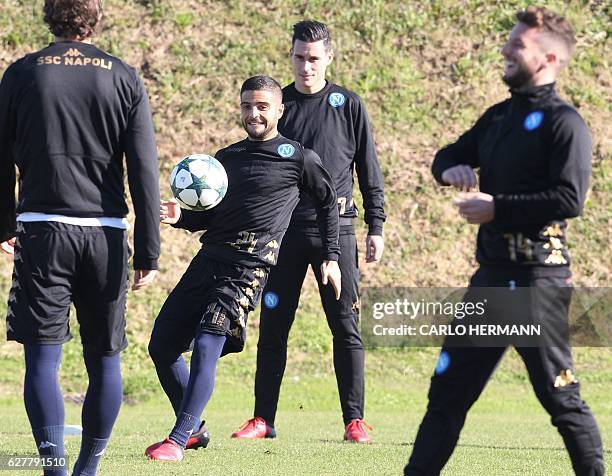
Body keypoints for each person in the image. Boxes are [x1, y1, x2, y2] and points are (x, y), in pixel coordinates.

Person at [405, 7, 604, 476]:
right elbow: (450, 153)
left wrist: (499, 207)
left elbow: (569, 198)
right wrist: (448, 168)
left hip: (538, 282)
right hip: (491, 280)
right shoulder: (498, 118)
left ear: (549, 58)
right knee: (447, 395)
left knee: (560, 397)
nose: (506, 50)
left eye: (518, 45)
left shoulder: (565, 124)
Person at [145, 75, 341, 462]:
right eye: (247, 106)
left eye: (262, 106)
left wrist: (331, 258)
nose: (254, 113)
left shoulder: (299, 157)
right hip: (209, 259)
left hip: (249, 268)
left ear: (279, 110)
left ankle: (178, 438)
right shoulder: (226, 158)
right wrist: (180, 217)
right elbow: (213, 216)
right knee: (162, 345)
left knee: (206, 343)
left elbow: (327, 203)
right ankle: (196, 430)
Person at [0, 1, 160, 475]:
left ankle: (54, 471)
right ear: (96, 20)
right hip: (106, 237)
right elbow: (144, 168)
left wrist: (5, 222)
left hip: (44, 233)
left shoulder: (22, 73)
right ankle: (87, 470)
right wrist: (148, 248)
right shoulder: (123, 75)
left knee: (43, 362)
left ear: (49, 17)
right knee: (105, 361)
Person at [232, 20, 385, 444]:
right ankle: (263, 419)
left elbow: (369, 169)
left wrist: (377, 225)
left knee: (345, 325)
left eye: (314, 58)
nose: (306, 66)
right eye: (299, 57)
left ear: (328, 59)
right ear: (292, 55)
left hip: (336, 233)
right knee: (274, 324)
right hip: (284, 235)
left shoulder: (348, 105)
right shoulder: (279, 106)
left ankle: (354, 420)